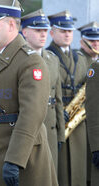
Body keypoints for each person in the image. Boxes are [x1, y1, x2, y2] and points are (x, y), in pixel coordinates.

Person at [0, 1, 58, 185]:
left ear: (12, 24)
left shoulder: (30, 62)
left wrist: (15, 160)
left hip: (22, 157)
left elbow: (32, 115)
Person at [21, 9, 65, 171]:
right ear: (24, 32)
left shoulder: (52, 59)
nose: (42, 34)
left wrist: (61, 134)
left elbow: (57, 99)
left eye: (45, 30)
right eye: (38, 30)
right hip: (28, 130)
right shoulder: (19, 59)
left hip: (51, 129)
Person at [47, 10, 88, 186]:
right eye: (62, 30)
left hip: (78, 123)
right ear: (52, 32)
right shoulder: (47, 57)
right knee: (60, 173)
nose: (67, 34)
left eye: (69, 31)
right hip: (57, 121)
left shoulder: (81, 58)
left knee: (78, 173)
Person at [79, 22, 99, 186]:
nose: (96, 43)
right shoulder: (96, 67)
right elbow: (93, 110)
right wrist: (96, 147)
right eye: (92, 40)